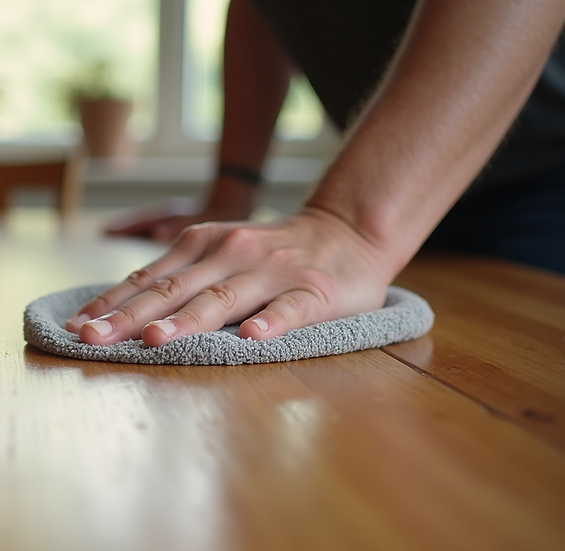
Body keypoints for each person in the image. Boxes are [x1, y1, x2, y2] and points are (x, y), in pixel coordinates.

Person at [66, 0, 565, 347]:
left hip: (544, 180)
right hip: (397, 205)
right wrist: (232, 191)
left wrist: (351, 225)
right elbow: (264, 12)